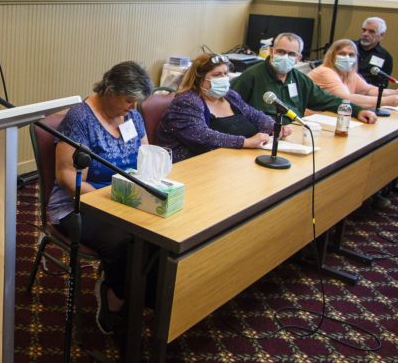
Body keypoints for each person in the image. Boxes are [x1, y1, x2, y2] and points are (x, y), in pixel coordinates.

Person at [48, 61, 152, 334]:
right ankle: (115, 296)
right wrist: (110, 203)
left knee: (160, 233)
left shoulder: (132, 116)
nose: (133, 107)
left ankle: (144, 294)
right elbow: (66, 176)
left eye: (136, 102)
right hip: (79, 204)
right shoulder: (80, 118)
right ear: (109, 90)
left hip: (125, 198)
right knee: (126, 241)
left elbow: (146, 157)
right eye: (128, 100)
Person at [157, 54, 292, 162]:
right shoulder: (187, 102)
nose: (223, 78)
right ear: (199, 79)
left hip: (234, 161)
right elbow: (202, 137)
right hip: (195, 166)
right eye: (217, 75)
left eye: (225, 74)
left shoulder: (230, 96)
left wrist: (274, 127)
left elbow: (254, 115)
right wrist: (245, 142)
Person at [231, 32, 377, 125]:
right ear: (272, 51)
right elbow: (231, 109)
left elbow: (327, 100)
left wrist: (357, 111)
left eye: (291, 54)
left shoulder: (299, 79)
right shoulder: (252, 76)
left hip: (295, 132)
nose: (285, 57)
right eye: (281, 52)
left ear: (298, 58)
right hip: (263, 134)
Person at [308, 39, 398, 109]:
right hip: (314, 118)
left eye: (351, 55)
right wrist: (387, 101)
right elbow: (346, 99)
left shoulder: (349, 73)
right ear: (332, 56)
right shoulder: (325, 72)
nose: (347, 58)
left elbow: (368, 90)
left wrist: (394, 93)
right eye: (342, 54)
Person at [355, 17, 393, 87]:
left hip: (367, 94)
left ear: (381, 35)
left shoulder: (385, 57)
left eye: (371, 31)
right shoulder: (347, 47)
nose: (365, 34)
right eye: (364, 30)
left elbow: (383, 85)